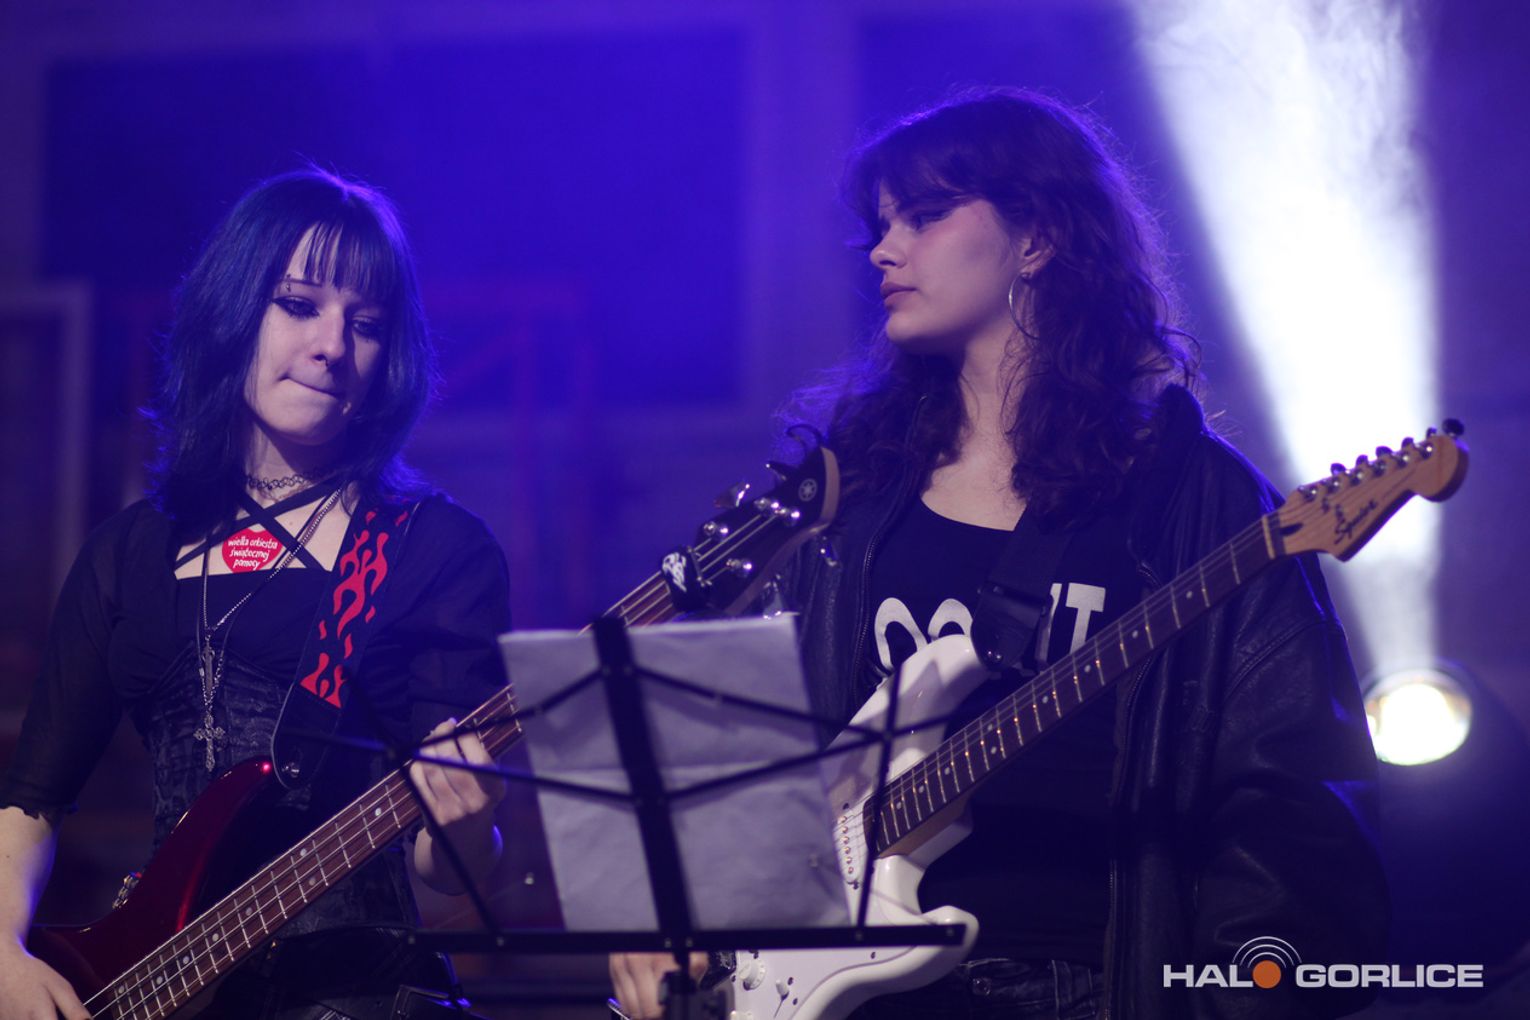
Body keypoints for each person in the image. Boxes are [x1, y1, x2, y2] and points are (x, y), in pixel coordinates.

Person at [612, 87, 1388, 1019]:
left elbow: (1290, 791)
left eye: (924, 215)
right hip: (843, 992)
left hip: (1085, 983)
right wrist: (673, 901)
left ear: (1039, 237)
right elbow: (742, 746)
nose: (884, 249)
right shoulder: (851, 488)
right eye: (881, 224)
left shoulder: (1190, 496)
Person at [0, 169, 511, 1019]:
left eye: (366, 324)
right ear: (233, 311)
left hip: (360, 991)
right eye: (299, 305)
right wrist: (1, 952)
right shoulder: (128, 554)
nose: (332, 345)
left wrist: (465, 824)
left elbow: (448, 883)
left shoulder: (436, 551)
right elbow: (30, 799)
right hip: (163, 988)